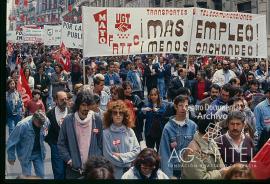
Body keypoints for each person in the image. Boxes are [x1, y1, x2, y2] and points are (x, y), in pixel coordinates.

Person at [57, 89, 103, 179]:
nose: (86, 108)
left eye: (88, 105)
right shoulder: (68, 120)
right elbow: (61, 144)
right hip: (73, 171)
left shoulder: (97, 119)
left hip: (92, 170)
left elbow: (101, 143)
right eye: (83, 105)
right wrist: (70, 160)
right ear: (78, 105)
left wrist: (97, 160)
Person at [159, 95, 197, 178]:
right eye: (181, 105)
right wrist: (169, 175)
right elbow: (164, 153)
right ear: (175, 107)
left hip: (190, 169)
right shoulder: (168, 128)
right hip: (175, 170)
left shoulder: (193, 126)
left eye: (186, 106)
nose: (184, 108)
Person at [103, 100, 141, 179]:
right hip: (114, 173)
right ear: (111, 115)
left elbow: (137, 151)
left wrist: (121, 156)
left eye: (121, 113)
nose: (118, 115)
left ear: (124, 115)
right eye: (115, 113)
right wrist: (128, 161)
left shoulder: (130, 131)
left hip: (131, 172)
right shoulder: (106, 133)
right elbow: (108, 156)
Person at [7, 110, 49, 178]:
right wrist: (11, 156)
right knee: (27, 176)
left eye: (42, 124)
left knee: (41, 175)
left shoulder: (46, 122)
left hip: (38, 153)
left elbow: (46, 130)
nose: (41, 126)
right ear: (34, 119)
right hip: (25, 154)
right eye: (39, 124)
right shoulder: (22, 125)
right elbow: (12, 140)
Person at [45, 91, 70, 179]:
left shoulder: (72, 112)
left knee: (69, 172)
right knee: (59, 171)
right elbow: (46, 131)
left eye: (66, 99)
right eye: (62, 99)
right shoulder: (49, 114)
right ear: (56, 100)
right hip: (56, 147)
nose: (65, 101)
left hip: (70, 147)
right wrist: (52, 143)